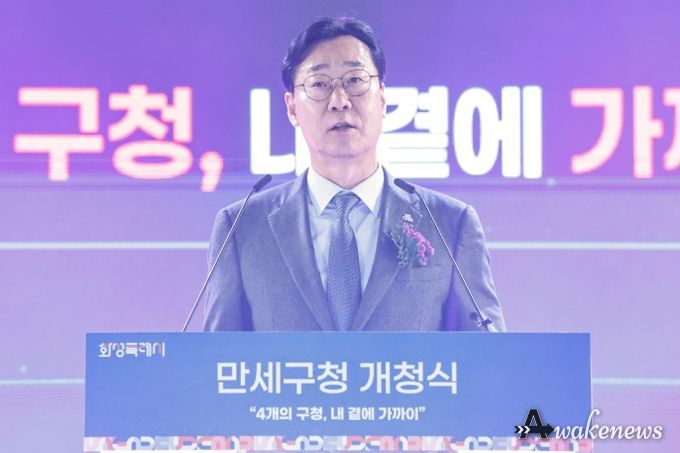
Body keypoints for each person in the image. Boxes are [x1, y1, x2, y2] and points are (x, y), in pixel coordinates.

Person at [203, 16, 506, 332]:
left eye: (355, 80)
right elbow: (216, 357)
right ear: (292, 108)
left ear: (382, 98)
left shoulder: (449, 224)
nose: (339, 101)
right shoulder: (241, 228)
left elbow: (488, 355)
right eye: (319, 84)